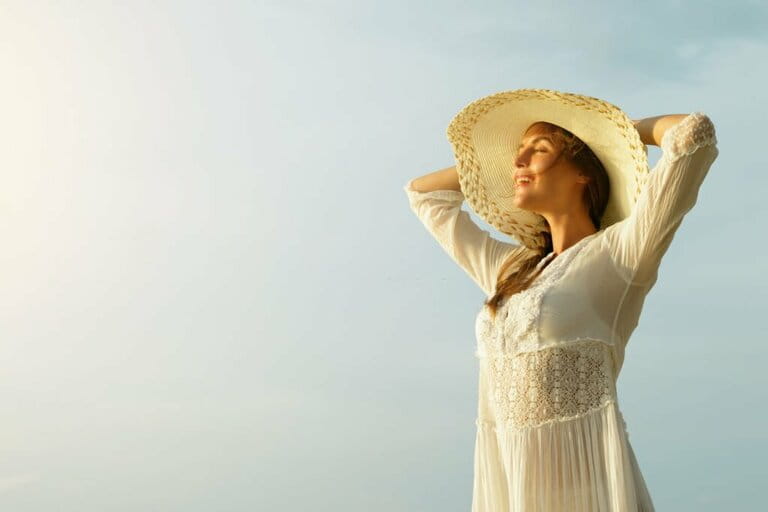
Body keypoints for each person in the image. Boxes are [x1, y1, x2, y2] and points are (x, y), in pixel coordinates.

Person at [403, 89, 719, 512]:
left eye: (539, 149)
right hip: (511, 492)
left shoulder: (620, 254)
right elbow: (424, 195)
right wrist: (501, 169)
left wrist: (612, 136)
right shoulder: (513, 268)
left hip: (589, 491)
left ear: (583, 172)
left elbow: (692, 134)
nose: (519, 161)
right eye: (519, 153)